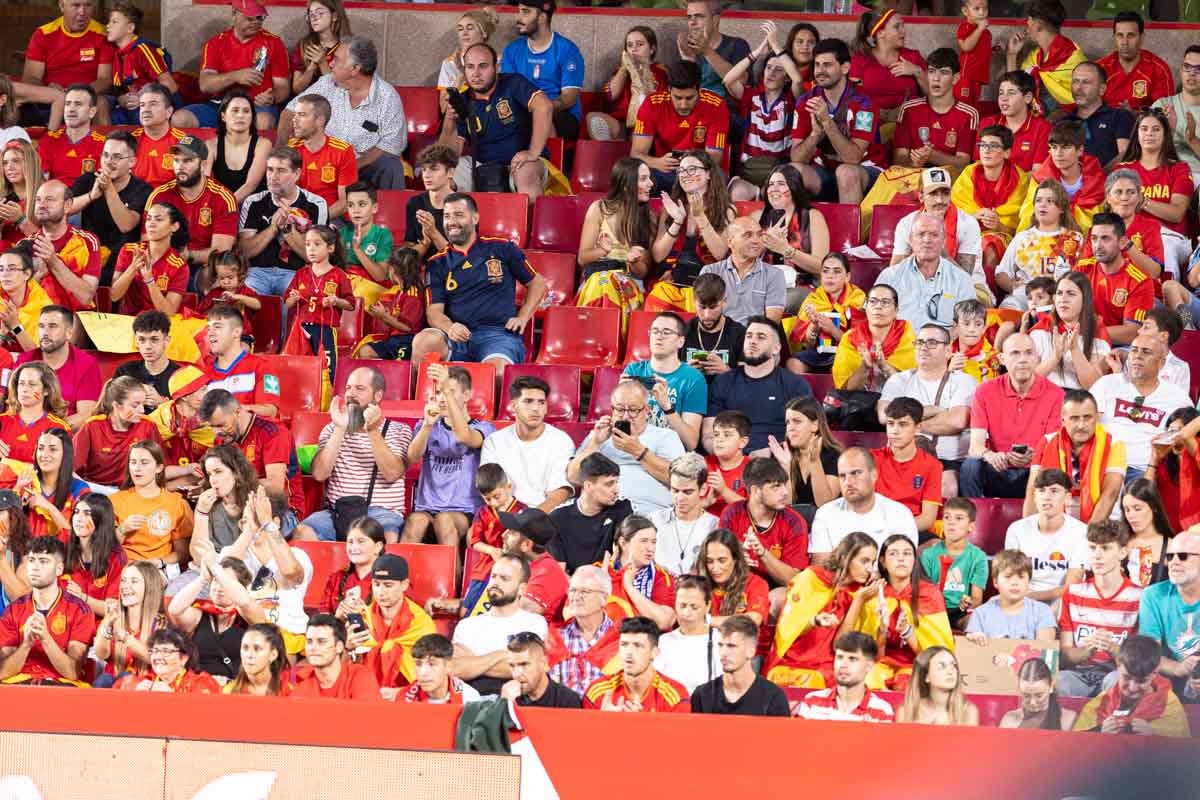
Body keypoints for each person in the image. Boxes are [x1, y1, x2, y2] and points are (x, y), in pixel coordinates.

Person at [410, 193, 546, 370]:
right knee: (424, 341)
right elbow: (434, 312)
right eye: (447, 216)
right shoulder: (437, 263)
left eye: (459, 215)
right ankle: (420, 397)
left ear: (475, 218)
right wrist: (450, 327)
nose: (451, 222)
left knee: (496, 369)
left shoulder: (502, 248)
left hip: (498, 336)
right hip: (457, 337)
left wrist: (523, 317)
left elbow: (538, 283)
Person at [278, 37, 409, 192]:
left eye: (337, 60)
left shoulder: (387, 97)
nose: (330, 64)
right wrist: (280, 150)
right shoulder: (327, 84)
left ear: (355, 69)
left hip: (364, 165)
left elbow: (390, 145)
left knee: (390, 165)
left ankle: (390, 214)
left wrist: (352, 166)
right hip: (325, 162)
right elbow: (289, 112)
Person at [437, 43, 552, 199]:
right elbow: (449, 154)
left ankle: (530, 223)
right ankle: (451, 222)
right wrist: (450, 120)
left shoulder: (513, 83)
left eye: (483, 66)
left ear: (496, 67)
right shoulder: (462, 101)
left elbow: (544, 106)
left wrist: (533, 152)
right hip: (481, 166)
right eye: (470, 67)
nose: (476, 73)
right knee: (441, 174)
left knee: (525, 172)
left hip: (522, 162)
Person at [767, 532, 877, 688]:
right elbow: (788, 628)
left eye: (872, 563)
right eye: (864, 561)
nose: (870, 569)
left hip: (831, 664)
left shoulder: (861, 593)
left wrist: (859, 600)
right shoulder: (811, 579)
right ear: (844, 558)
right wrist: (814, 621)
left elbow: (841, 645)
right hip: (793, 659)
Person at [961, 333, 1065, 498]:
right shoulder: (985, 391)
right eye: (1015, 353)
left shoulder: (1056, 394)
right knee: (971, 465)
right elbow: (975, 446)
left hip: (1035, 471)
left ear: (1037, 358)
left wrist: (1034, 457)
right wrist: (991, 455)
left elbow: (1054, 446)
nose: (1022, 359)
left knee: (1052, 468)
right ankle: (972, 519)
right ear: (1002, 359)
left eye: (1029, 353)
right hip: (997, 469)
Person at [878, 323, 975, 497]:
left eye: (931, 342)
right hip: (901, 456)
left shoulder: (963, 381)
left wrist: (907, 423)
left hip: (948, 460)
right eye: (920, 342)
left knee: (947, 488)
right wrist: (934, 410)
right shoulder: (898, 380)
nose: (924, 347)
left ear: (948, 351)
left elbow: (956, 421)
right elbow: (885, 416)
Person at [403, 364, 493, 550]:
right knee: (414, 521)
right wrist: (427, 425)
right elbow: (411, 457)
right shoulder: (427, 425)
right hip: (427, 509)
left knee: (444, 521)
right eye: (441, 392)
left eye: (450, 391)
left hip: (466, 511)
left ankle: (453, 578)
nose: (443, 398)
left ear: (467, 395)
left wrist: (446, 390)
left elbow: (465, 437)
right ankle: (397, 576)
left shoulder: (484, 428)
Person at [847, 534, 954, 690]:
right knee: (868, 680)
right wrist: (882, 632)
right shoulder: (873, 594)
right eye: (893, 553)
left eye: (907, 553)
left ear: (914, 560)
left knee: (905, 685)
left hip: (917, 665)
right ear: (883, 562)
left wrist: (907, 633)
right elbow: (871, 656)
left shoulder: (929, 594)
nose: (901, 559)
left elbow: (936, 655)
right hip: (881, 663)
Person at [789, 38, 883, 206]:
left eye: (827, 65)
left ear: (845, 68)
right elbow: (796, 156)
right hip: (826, 172)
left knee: (846, 172)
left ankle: (850, 232)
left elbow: (854, 158)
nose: (820, 71)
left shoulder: (864, 102)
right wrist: (815, 135)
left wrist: (827, 122)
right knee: (791, 172)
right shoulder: (806, 101)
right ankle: (796, 230)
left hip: (865, 171)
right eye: (817, 65)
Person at [222, 487, 312, 659]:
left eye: (257, 519)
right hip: (245, 633)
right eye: (245, 520)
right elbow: (223, 575)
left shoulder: (298, 556)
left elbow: (291, 572)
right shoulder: (234, 551)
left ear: (275, 523)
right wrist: (250, 530)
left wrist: (267, 524)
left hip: (288, 635)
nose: (252, 524)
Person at [570, 382, 683, 518]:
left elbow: (681, 480)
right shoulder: (600, 435)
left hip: (649, 513)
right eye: (620, 409)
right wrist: (595, 443)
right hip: (601, 511)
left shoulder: (666, 436)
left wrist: (639, 452)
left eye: (633, 410)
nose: (625, 416)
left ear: (647, 410)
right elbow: (574, 477)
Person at [173, 0, 289, 132]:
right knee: (180, 119)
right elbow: (205, 85)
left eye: (260, 18)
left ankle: (254, 152)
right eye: (250, 18)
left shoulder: (274, 43)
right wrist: (235, 76)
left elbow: (283, 87)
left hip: (256, 106)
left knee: (264, 122)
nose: (256, 22)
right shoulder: (215, 43)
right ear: (234, 14)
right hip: (221, 104)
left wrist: (272, 97)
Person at [1057, 519, 1142, 698]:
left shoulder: (1140, 597)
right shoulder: (1073, 593)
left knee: (1117, 681)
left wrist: (1113, 648)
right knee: (1060, 681)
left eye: (1105, 548)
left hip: (1118, 672)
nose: (1097, 555)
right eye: (1093, 548)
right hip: (1079, 674)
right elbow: (1064, 655)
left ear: (1123, 552)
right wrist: (1085, 652)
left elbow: (1142, 661)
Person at [705, 316, 812, 455]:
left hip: (777, 462)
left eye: (761, 337)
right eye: (749, 336)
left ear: (776, 348)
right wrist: (732, 457)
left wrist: (770, 453)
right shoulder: (723, 382)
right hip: (730, 460)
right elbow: (708, 435)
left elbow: (807, 436)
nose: (752, 341)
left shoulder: (795, 385)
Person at [1091, 332, 1190, 477]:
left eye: (1146, 352)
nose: (1137, 355)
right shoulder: (1107, 384)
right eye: (1134, 350)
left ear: (1161, 363)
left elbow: (1188, 434)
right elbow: (1087, 422)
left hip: (1145, 471)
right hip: (1104, 465)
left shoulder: (1177, 397)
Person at [0, 535, 94, 684]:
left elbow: (72, 672)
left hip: (62, 686)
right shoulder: (13, 610)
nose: (35, 567)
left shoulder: (80, 611)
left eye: (43, 561)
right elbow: (2, 672)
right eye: (31, 560)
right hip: (20, 684)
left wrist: (45, 638)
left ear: (59, 569)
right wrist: (26, 644)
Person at [237, 145, 328, 298]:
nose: (273, 176)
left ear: (297, 174)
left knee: (293, 300)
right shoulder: (253, 202)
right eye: (270, 169)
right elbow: (245, 251)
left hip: (295, 273)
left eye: (281, 170)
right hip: (257, 273)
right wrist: (273, 228)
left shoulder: (316, 204)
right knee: (244, 297)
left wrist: (287, 229)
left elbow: (315, 257)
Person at [197, 391, 305, 520]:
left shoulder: (273, 433)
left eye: (221, 425)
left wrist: (231, 483)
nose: (217, 432)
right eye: (212, 427)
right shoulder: (222, 439)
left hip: (282, 510)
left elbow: (275, 486)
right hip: (241, 506)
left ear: (237, 412)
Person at [452, 554, 548, 695]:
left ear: (522, 588)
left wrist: (473, 662)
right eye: (493, 576)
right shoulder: (466, 625)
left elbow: (529, 672)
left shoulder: (534, 623)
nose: (496, 583)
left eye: (504, 579)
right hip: (473, 702)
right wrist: (502, 655)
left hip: (518, 701)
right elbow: (455, 669)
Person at [891, 170, 989, 304]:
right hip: (919, 284)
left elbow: (964, 277)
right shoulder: (906, 223)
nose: (940, 200)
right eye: (933, 193)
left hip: (970, 287)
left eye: (945, 193)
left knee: (966, 304)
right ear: (921, 196)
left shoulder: (968, 223)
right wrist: (920, 255)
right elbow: (895, 271)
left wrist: (942, 255)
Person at [1028, 389, 1125, 523]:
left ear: (1097, 417)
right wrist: (1027, 531)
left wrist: (1088, 536)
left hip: (1103, 522)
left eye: (1087, 417)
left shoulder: (1114, 443)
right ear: (1062, 420)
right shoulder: (1046, 442)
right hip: (1056, 521)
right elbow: (1033, 490)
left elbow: (1110, 493)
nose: (1081, 425)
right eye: (1074, 418)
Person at [479, 376, 574, 513]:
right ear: (513, 405)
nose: (536, 408)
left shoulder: (562, 441)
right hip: (508, 513)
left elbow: (560, 492)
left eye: (541, 402)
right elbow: (491, 489)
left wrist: (530, 519)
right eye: (528, 401)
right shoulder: (494, 441)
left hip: (549, 515)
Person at [144, 136, 239, 272]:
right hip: (163, 263)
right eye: (176, 160)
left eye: (188, 161)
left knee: (213, 274)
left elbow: (220, 254)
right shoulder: (159, 195)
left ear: (204, 165)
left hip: (203, 266)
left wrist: (188, 255)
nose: (180, 166)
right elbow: (147, 240)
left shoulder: (223, 198)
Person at [349, 553, 435, 699]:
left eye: (388, 585)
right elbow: (347, 666)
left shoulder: (421, 623)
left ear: (404, 585)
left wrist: (399, 693)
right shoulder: (363, 618)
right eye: (376, 584)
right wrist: (347, 647)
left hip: (409, 698)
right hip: (365, 694)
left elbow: (433, 675)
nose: (381, 592)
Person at [876, 212, 981, 332]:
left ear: (943, 241)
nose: (927, 240)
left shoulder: (961, 280)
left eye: (934, 235)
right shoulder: (890, 277)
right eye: (921, 234)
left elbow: (969, 326)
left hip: (944, 346)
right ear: (910, 240)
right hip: (899, 346)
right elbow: (875, 319)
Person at [167, 552, 262, 683]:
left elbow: (245, 601)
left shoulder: (248, 616)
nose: (218, 587)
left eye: (225, 582)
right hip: (197, 689)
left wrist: (216, 568)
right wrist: (203, 579)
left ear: (242, 587)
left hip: (236, 690)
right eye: (216, 581)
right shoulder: (199, 614)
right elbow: (174, 610)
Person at [1120, 109, 1194, 277]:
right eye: (1144, 129)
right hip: (1132, 234)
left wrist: (1142, 201)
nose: (1149, 134)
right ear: (1137, 133)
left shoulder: (1179, 169)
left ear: (1165, 134)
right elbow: (1116, 211)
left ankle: (1168, 296)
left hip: (1170, 236)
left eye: (1156, 129)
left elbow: (1176, 214)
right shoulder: (1124, 170)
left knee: (1163, 246)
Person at [65, 132, 149, 279]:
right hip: (89, 254)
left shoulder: (142, 190)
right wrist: (91, 196)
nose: (109, 162)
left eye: (116, 157)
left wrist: (108, 189)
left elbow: (126, 225)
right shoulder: (88, 180)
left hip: (123, 262)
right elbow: (61, 209)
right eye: (105, 155)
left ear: (132, 162)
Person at [951, 126, 1031, 280]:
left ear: (1007, 153)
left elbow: (1023, 227)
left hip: (1003, 237)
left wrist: (998, 225)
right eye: (983, 145)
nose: (986, 150)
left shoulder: (1020, 179)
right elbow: (954, 213)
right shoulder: (968, 174)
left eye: (993, 146)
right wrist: (973, 216)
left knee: (989, 243)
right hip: (967, 233)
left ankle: (988, 290)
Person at [723, 42, 800, 201]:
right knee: (737, 193)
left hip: (779, 172)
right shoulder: (751, 96)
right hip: (749, 170)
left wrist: (777, 48)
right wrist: (757, 53)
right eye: (768, 67)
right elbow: (728, 80)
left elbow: (798, 80)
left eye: (779, 70)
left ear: (786, 78)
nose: (771, 73)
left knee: (780, 195)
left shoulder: (791, 100)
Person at [809, 448, 917, 559]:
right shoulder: (825, 514)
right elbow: (821, 568)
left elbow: (905, 564)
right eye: (842, 476)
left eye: (855, 473)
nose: (848, 482)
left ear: (874, 475)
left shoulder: (900, 514)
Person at [718, 457, 808, 590]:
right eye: (776, 487)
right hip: (738, 584)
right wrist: (737, 559)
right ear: (755, 491)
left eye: (784, 484)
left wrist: (762, 553)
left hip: (776, 588)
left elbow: (792, 580)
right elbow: (718, 564)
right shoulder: (731, 514)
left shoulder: (795, 522)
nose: (785, 492)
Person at [20, 0, 114, 127]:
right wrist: (48, 91)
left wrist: (79, 93)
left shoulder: (103, 35)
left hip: (89, 95)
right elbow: (30, 79)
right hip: (51, 95)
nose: (82, 12)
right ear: (62, 6)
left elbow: (105, 80)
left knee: (101, 102)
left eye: (88, 5)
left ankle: (104, 145)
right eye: (76, 5)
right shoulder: (43, 34)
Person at [1074, 634, 1190, 735]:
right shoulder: (1099, 705)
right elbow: (1077, 747)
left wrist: (1155, 735)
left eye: (1141, 681)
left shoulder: (1170, 705)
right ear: (1118, 665)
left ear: (1155, 672)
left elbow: (1183, 753)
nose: (1132, 688)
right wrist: (1099, 733)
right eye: (1126, 677)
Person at [501, 0, 584, 140]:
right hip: (523, 111)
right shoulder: (512, 50)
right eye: (519, 11)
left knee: (542, 120)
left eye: (525, 11)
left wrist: (541, 108)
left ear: (542, 18)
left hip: (561, 114)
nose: (518, 18)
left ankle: (545, 161)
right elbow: (507, 90)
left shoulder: (567, 50)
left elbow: (569, 98)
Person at [623, 312, 706, 450]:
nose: (659, 336)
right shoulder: (633, 371)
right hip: (633, 446)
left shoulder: (693, 379)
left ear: (681, 341)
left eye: (666, 332)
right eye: (655, 331)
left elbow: (690, 443)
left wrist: (667, 407)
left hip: (670, 453)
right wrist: (620, 401)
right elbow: (620, 425)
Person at [995, 181, 1083, 312]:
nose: (1042, 204)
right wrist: (1011, 286)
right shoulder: (1022, 238)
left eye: (1049, 201)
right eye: (1038, 200)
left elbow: (1082, 276)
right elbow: (1001, 272)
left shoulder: (1075, 239)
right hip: (1024, 298)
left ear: (1062, 208)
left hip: (1059, 300)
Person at [649, 150, 735, 282]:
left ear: (708, 174)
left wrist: (700, 216)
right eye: (681, 170)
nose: (685, 175)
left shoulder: (725, 210)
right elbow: (658, 256)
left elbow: (720, 254)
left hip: (708, 283)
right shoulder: (671, 208)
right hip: (672, 279)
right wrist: (677, 222)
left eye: (692, 169)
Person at [110, 440, 193, 577]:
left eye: (144, 462)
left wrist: (160, 562)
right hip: (122, 568)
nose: (137, 468)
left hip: (158, 570)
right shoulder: (114, 501)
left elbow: (183, 553)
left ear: (159, 468)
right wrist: (123, 529)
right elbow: (105, 549)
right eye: (133, 462)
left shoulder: (176, 503)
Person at [282, 225, 353, 384]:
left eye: (317, 244)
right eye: (307, 244)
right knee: (299, 368)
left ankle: (328, 401)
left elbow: (350, 304)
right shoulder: (301, 273)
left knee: (328, 369)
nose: (311, 249)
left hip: (326, 330)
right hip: (302, 329)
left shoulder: (338, 275)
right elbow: (287, 302)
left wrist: (336, 300)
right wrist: (293, 298)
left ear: (330, 248)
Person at [1005, 469, 1088, 604]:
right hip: (1023, 602)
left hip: (1063, 602)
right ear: (1035, 497)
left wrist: (1031, 598)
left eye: (1054, 491)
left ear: (1067, 498)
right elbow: (1011, 579)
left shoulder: (1081, 532)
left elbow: (1072, 586)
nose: (1046, 496)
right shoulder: (1017, 529)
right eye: (1041, 491)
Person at [1076, 208, 1156, 346]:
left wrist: (1086, 332)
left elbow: (1132, 333)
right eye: (1094, 239)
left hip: (1120, 347)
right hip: (1082, 340)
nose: (1098, 245)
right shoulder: (1082, 269)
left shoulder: (1139, 281)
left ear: (1122, 242)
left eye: (1105, 238)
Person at [893, 49, 978, 174]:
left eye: (944, 73)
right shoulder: (909, 109)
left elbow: (963, 164)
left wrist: (933, 156)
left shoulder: (969, 114)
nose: (936, 78)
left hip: (949, 181)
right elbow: (898, 159)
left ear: (955, 78)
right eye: (932, 71)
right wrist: (914, 164)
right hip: (912, 177)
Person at [16, 307, 101, 430]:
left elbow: (85, 415)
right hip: (22, 431)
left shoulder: (86, 364)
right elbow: (12, 406)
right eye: (41, 326)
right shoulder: (24, 360)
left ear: (69, 333)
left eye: (52, 326)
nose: (45, 332)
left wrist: (46, 431)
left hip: (62, 437)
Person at [583, 615, 689, 712]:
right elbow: (582, 733)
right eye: (624, 644)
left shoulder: (676, 697)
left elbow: (679, 733)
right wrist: (603, 721)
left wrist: (640, 725)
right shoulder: (597, 691)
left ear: (654, 653)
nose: (629, 652)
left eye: (638, 646)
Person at [26, 180, 102, 313]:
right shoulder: (25, 245)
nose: (41, 205)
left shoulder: (88, 241)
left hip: (75, 322)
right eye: (38, 200)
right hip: (35, 322)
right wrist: (38, 277)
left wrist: (53, 261)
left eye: (49, 199)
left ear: (67, 205)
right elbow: (17, 298)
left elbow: (86, 296)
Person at [1017, 120, 1106, 232]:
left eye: (1065, 147)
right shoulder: (1040, 179)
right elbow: (1028, 217)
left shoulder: (1097, 181)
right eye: (1054, 147)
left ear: (1080, 150)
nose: (1058, 153)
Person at [550, 454, 632, 574]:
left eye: (616, 482)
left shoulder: (622, 509)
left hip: (609, 583)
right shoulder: (558, 519)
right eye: (609, 484)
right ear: (588, 486)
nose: (616, 490)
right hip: (573, 587)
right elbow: (559, 572)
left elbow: (624, 558)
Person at [691, 615, 789, 716]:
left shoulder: (773, 697)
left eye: (731, 646)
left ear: (751, 651)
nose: (723, 653)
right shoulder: (702, 695)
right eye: (720, 645)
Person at [73, 378, 162, 489]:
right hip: (96, 492)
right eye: (135, 406)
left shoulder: (148, 425)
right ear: (116, 406)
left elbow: (159, 469)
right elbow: (68, 469)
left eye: (143, 405)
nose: (142, 410)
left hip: (134, 492)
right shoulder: (92, 426)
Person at [577, 158, 656, 281]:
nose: (651, 183)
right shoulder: (599, 209)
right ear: (625, 185)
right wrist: (602, 250)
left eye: (649, 178)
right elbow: (582, 259)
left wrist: (634, 262)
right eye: (643, 178)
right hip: (598, 278)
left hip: (629, 281)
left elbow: (642, 273)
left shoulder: (649, 218)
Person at [698, 217, 786, 325]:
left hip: (754, 337)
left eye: (759, 235)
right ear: (730, 242)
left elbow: (771, 324)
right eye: (748, 235)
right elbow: (706, 316)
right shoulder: (710, 271)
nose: (756, 241)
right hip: (720, 336)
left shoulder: (774, 275)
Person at [546, 564, 619, 695]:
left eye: (585, 592)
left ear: (604, 598)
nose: (576, 597)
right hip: (559, 712)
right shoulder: (554, 637)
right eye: (573, 590)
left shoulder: (621, 640)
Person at [1029, 272, 1110, 390]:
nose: (1063, 299)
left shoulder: (1097, 333)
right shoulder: (1041, 329)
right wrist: (1055, 357)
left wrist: (1075, 350)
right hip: (1042, 395)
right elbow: (1028, 381)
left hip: (1078, 401)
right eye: (1059, 293)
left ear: (1085, 299)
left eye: (1071, 294)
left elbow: (1093, 386)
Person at [871, 398, 943, 531]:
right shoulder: (871, 459)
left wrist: (893, 531)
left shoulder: (932, 465)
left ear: (918, 428)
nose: (895, 431)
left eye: (903, 424)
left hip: (911, 529)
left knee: (933, 546)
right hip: (875, 528)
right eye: (890, 423)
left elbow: (927, 519)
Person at [831, 283, 916, 394]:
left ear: (896, 311)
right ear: (866, 309)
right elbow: (846, 390)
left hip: (897, 405)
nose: (878, 306)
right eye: (873, 301)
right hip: (859, 405)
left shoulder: (906, 334)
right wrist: (865, 367)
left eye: (885, 302)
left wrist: (884, 366)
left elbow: (911, 388)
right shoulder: (851, 338)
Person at [792, 632, 896, 722]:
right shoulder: (812, 701)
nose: (843, 665)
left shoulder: (882, 711)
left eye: (852, 659)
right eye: (840, 657)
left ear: (869, 666)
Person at [589, 26, 668, 143]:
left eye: (640, 44)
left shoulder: (660, 72)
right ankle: (617, 147)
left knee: (638, 128)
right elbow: (611, 96)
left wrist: (643, 72)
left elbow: (660, 105)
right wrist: (624, 68)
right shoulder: (620, 71)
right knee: (592, 118)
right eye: (629, 45)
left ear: (652, 49)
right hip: (621, 123)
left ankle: (624, 149)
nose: (634, 49)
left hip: (647, 125)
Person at [199, 303, 279, 418]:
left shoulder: (263, 367)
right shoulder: (202, 374)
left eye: (217, 327)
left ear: (236, 332)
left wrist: (230, 411)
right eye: (208, 328)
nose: (210, 333)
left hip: (252, 434)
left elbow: (271, 411)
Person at [786, 253, 860, 376]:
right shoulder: (813, 299)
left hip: (846, 351)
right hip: (817, 352)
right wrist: (813, 327)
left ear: (847, 276)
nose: (830, 276)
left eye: (837, 271)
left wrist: (832, 330)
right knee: (793, 364)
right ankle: (804, 395)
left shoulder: (857, 299)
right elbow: (807, 344)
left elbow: (859, 343)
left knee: (839, 366)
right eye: (825, 271)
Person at [1005, 0, 1084, 114]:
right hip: (1034, 122)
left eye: (1029, 19)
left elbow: (1084, 103)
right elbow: (1014, 90)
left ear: (1038, 25)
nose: (1027, 23)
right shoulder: (1035, 56)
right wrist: (1012, 54)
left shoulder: (1074, 58)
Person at [110, 203, 188, 317]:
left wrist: (149, 280)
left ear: (174, 227)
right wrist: (133, 268)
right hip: (127, 322)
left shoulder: (179, 266)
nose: (151, 224)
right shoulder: (128, 250)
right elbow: (114, 295)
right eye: (148, 219)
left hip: (158, 327)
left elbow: (168, 312)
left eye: (159, 219)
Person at [104, 1, 176, 126]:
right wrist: (121, 99)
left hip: (150, 106)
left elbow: (170, 85)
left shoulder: (144, 49)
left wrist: (142, 99)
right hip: (130, 106)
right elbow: (119, 89)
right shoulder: (117, 53)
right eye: (109, 22)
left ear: (130, 28)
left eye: (114, 22)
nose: (107, 26)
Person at [766, 396, 841, 515]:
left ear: (814, 425)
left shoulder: (834, 455)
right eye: (788, 422)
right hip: (791, 523)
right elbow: (784, 505)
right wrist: (786, 467)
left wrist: (815, 462)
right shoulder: (780, 453)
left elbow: (825, 505)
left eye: (797, 421)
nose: (790, 428)